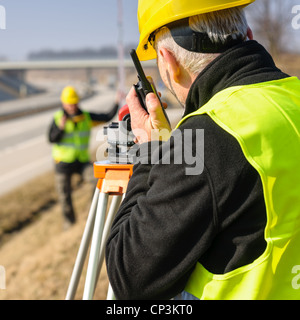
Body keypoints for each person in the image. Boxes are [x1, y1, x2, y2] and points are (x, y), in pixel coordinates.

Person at [105, 0, 300, 300]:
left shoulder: (201, 138)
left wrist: (150, 152)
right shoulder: (293, 95)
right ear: (247, 34)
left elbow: (129, 276)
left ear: (167, 60)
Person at [48, 86, 118, 228]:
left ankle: (92, 212)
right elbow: (51, 138)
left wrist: (117, 102)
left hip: (81, 161)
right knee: (64, 195)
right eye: (69, 103)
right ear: (63, 103)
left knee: (98, 180)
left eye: (74, 103)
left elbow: (107, 116)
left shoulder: (86, 116)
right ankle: (69, 223)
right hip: (62, 163)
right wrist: (60, 128)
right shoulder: (57, 119)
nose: (72, 106)